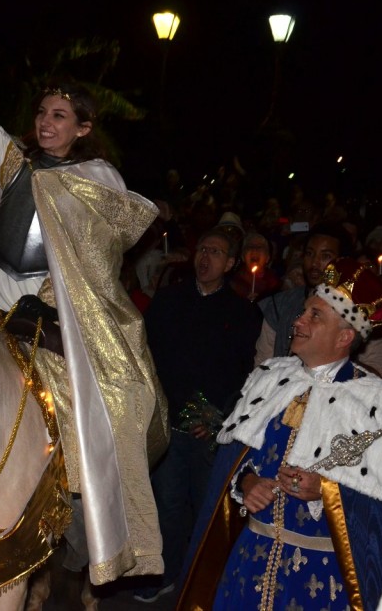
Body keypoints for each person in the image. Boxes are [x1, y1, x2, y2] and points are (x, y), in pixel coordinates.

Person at [0, 5, 168, 584]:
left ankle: (93, 534)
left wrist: (53, 307)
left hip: (53, 329)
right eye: (41, 112)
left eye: (60, 115)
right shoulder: (13, 164)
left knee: (99, 423)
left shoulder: (97, 179)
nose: (46, 121)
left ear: (83, 127)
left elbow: (95, 262)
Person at [178, 258, 382, 610]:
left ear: (344, 336)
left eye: (315, 316)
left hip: (323, 579)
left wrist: (325, 491)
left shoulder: (379, 404)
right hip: (249, 563)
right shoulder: (269, 379)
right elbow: (233, 460)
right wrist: (245, 483)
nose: (298, 321)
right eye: (303, 312)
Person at [137, 228, 262, 603]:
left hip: (212, 429)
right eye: (202, 248)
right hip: (169, 421)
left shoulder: (243, 313)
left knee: (207, 506)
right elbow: (147, 357)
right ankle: (166, 573)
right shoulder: (168, 301)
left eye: (216, 252)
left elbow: (246, 374)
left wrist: (217, 415)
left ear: (231, 263)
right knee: (168, 503)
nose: (206, 257)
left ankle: (201, 579)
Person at [255, 223, 382, 379]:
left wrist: (330, 361)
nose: (314, 263)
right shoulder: (279, 305)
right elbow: (262, 368)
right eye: (309, 254)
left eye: (325, 256)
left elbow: (378, 376)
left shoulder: (361, 311)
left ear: (342, 261)